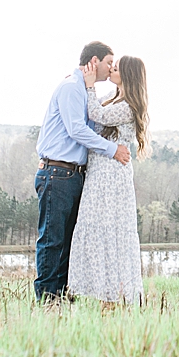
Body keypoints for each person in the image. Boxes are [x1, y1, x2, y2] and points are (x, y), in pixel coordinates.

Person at [34, 41, 130, 300]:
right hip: (57, 173)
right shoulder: (71, 88)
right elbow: (77, 130)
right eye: (109, 62)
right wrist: (113, 150)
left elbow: (97, 118)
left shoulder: (84, 90)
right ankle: (46, 299)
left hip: (74, 175)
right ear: (94, 61)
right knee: (52, 241)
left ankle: (60, 296)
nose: (111, 68)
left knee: (68, 242)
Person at [68, 55, 151, 302]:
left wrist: (90, 85)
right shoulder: (113, 98)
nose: (112, 69)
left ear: (127, 76)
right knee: (94, 228)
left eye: (117, 67)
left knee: (110, 231)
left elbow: (96, 115)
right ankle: (100, 292)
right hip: (99, 173)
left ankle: (116, 294)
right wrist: (77, 83)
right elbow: (89, 109)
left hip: (112, 177)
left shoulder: (128, 107)